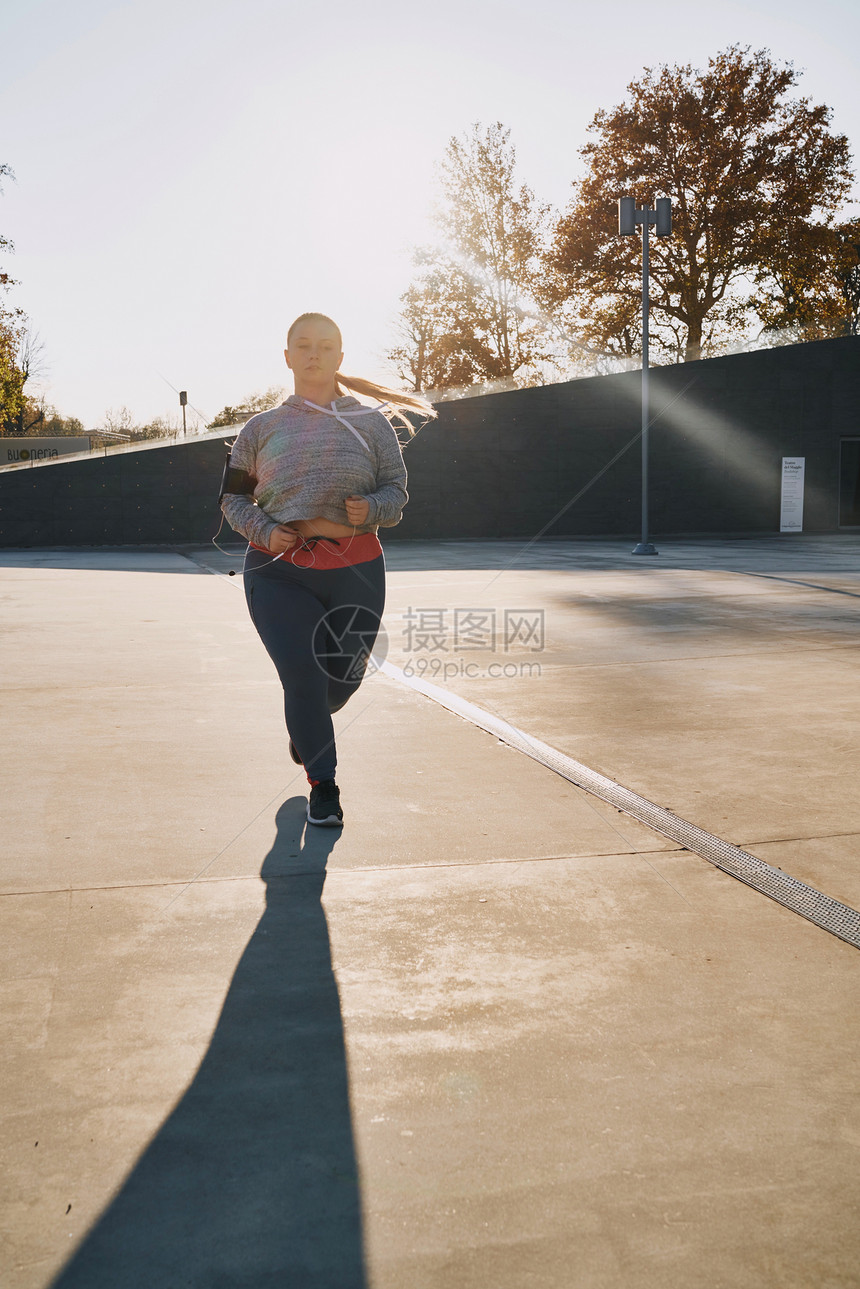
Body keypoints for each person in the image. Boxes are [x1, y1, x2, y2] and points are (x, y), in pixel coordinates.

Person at [220, 312, 436, 826]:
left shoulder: (371, 424)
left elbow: (397, 491)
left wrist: (374, 509)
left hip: (356, 570)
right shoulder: (259, 429)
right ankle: (325, 784)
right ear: (288, 356)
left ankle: (308, 726)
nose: (314, 354)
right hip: (277, 572)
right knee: (304, 678)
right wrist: (263, 530)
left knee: (341, 682)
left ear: (340, 357)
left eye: (325, 346)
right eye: (304, 345)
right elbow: (232, 499)